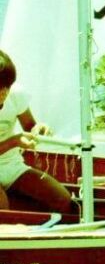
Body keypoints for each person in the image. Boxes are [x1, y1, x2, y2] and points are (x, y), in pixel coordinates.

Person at [0, 51, 72, 214]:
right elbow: (17, 140)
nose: (4, 92)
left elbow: (30, 125)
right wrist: (15, 141)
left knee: (62, 199)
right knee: (2, 210)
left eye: (7, 86)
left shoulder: (16, 94)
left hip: (12, 166)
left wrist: (39, 129)